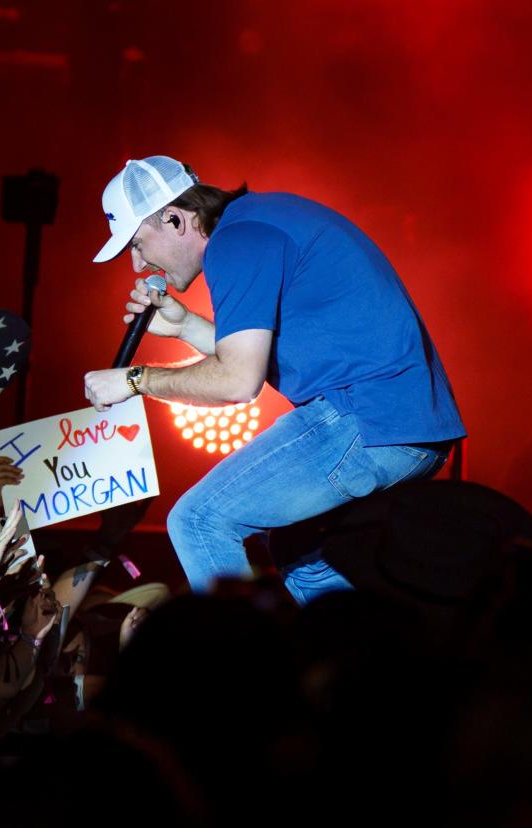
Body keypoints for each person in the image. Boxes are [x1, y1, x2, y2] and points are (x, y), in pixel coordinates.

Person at [82, 155, 465, 605]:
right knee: (301, 552)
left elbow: (237, 381)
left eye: (138, 243)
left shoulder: (236, 241)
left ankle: (250, 668)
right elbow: (256, 361)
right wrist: (185, 325)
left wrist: (134, 380)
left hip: (367, 420)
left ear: (174, 218)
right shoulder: (258, 222)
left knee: (198, 521)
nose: (137, 264)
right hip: (411, 428)